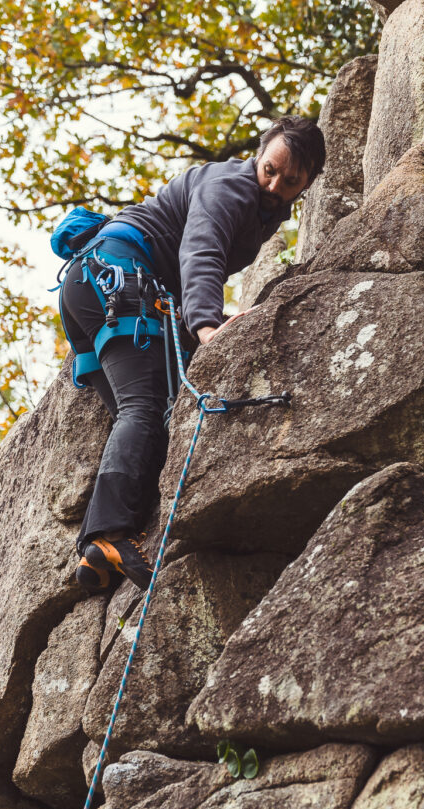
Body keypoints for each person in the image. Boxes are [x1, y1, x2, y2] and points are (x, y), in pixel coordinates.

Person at [58, 115, 326, 593]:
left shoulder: (262, 207)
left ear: (305, 186)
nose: (275, 183)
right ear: (259, 154)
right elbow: (201, 248)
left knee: (141, 413)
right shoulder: (230, 187)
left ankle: (100, 553)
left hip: (91, 284)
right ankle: (111, 534)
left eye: (290, 181)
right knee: (146, 405)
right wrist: (205, 325)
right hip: (119, 273)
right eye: (270, 169)